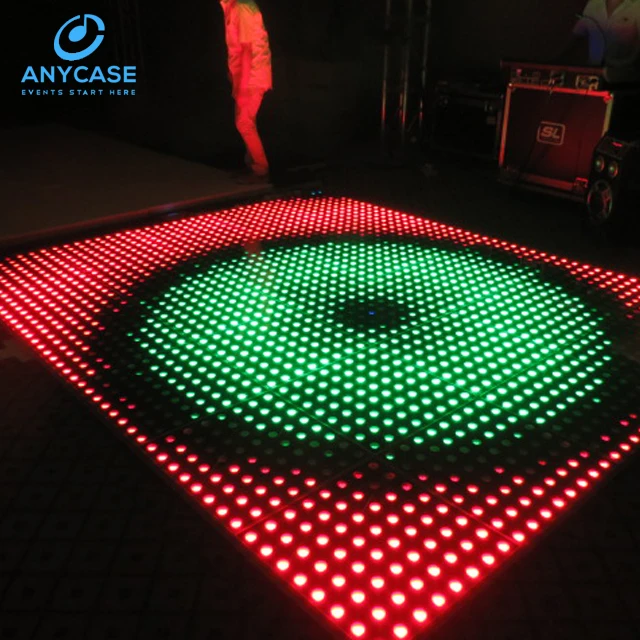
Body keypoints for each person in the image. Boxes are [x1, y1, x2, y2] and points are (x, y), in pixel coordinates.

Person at [219, 0, 273, 182]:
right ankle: (252, 165)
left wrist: (243, 84)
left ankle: (260, 169)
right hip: (248, 74)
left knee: (244, 123)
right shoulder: (236, 6)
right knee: (247, 122)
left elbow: (249, 48)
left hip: (252, 76)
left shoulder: (241, 7)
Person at [572, 0, 640, 83]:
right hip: (591, 75)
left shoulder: (637, 6)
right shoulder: (593, 3)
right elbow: (579, 38)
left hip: (625, 79)